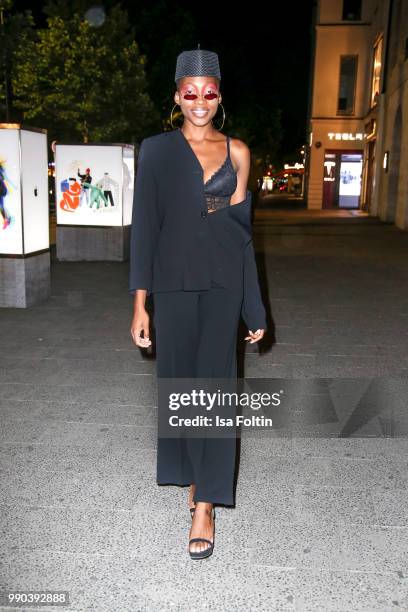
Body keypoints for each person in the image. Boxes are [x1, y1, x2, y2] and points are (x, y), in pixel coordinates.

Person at [129, 47, 266, 560]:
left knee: (217, 390)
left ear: (219, 96)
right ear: (177, 97)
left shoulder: (238, 153)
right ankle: (190, 476)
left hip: (223, 285)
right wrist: (139, 303)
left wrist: (254, 306)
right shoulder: (157, 151)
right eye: (190, 92)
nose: (200, 101)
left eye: (209, 93)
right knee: (181, 388)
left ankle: (205, 502)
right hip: (172, 285)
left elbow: (241, 236)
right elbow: (145, 228)